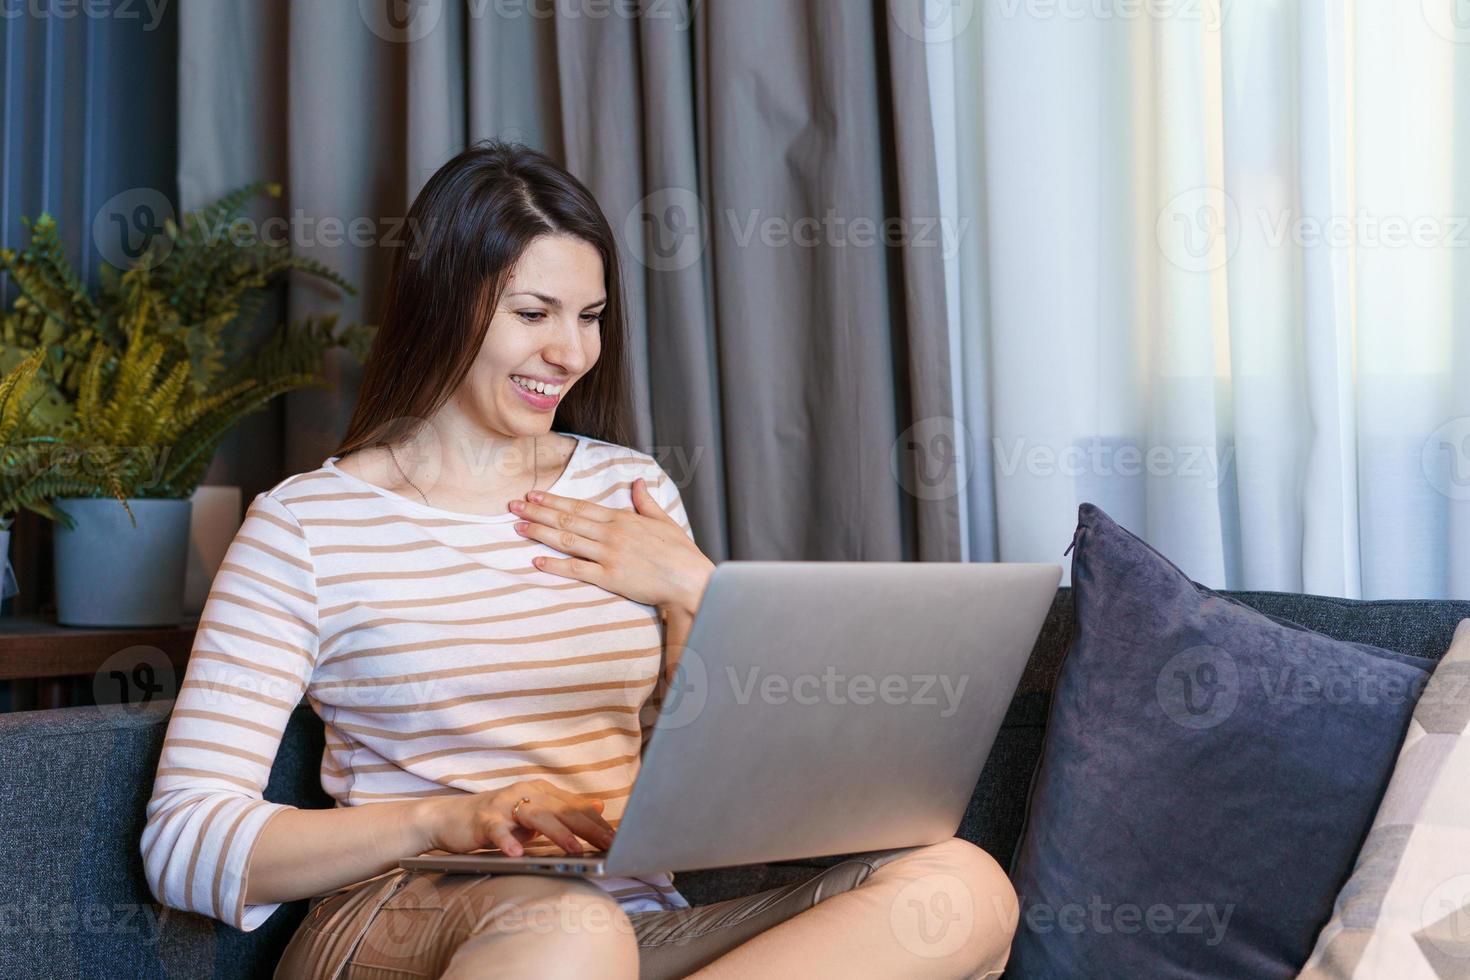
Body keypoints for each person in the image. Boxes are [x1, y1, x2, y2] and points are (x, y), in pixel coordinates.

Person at [140, 141, 1018, 979]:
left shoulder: (633, 491)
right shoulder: (306, 526)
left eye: (589, 317)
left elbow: (705, 783)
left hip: (631, 928)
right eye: (533, 314)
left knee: (959, 888)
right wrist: (447, 818)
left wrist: (695, 594)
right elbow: (185, 842)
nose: (571, 353)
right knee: (568, 927)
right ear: (443, 302)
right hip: (400, 919)